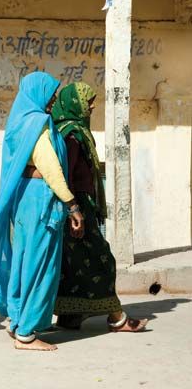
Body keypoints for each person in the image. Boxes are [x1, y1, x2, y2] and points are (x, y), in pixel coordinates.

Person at [0, 71, 85, 351]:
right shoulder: (39, 124)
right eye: (51, 93)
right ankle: (27, 333)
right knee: (41, 265)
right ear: (39, 93)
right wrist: (72, 204)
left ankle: (17, 320)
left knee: (24, 260)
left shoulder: (18, 121)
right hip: (41, 198)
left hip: (24, 197)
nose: (54, 98)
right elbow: (51, 168)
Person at [52, 82, 148, 332]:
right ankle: (117, 318)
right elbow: (66, 176)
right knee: (101, 260)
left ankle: (70, 316)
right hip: (76, 208)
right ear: (75, 104)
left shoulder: (75, 131)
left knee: (73, 264)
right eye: (88, 101)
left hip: (76, 206)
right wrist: (76, 212)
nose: (92, 105)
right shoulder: (72, 136)